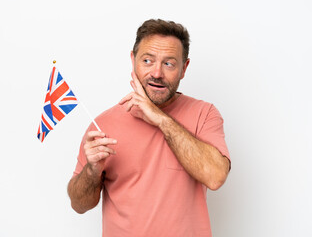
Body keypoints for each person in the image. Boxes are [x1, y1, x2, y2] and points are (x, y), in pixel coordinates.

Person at [67, 19, 231, 236]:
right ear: (133, 60)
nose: (156, 73)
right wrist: (91, 171)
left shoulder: (205, 114)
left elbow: (215, 176)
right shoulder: (102, 124)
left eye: (169, 63)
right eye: (147, 60)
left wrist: (161, 119)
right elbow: (79, 205)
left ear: (184, 68)